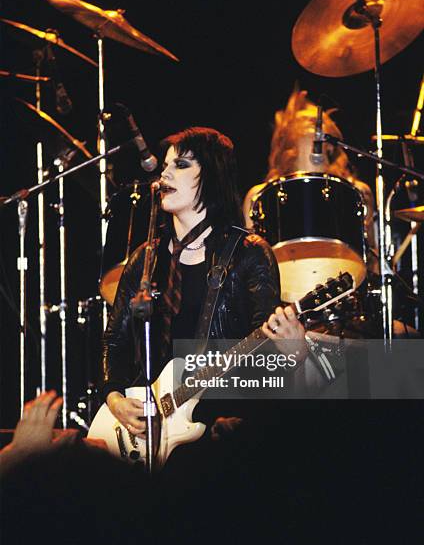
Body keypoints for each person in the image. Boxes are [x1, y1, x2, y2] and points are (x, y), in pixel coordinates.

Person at [102, 126, 307, 458]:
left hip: (222, 433)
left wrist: (293, 354)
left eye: (181, 164)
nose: (164, 172)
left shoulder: (248, 253)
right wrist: (115, 400)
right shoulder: (145, 259)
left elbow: (265, 358)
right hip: (143, 430)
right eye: (166, 165)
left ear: (212, 176)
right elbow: (115, 340)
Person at [243, 86, 376, 252]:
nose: (313, 121)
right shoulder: (258, 196)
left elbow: (371, 255)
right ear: (287, 135)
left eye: (317, 120)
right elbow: (253, 261)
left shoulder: (358, 191)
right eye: (304, 118)